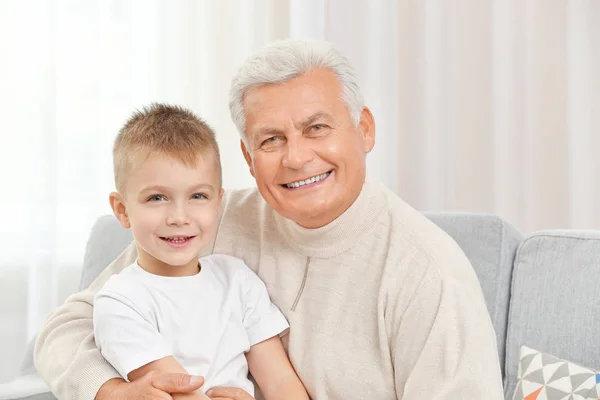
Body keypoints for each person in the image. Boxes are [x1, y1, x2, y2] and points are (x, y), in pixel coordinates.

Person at [35, 39, 504, 399]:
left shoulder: (426, 272)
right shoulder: (204, 222)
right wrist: (109, 390)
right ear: (247, 155)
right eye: (271, 140)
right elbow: (66, 329)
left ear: (364, 129)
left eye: (316, 128)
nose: (297, 158)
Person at [91, 103, 309, 400]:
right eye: (157, 197)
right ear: (122, 210)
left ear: (218, 203)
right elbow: (179, 392)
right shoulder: (121, 301)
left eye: (197, 196)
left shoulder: (237, 280)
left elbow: (281, 382)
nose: (179, 217)